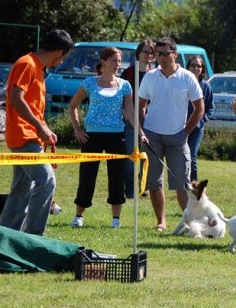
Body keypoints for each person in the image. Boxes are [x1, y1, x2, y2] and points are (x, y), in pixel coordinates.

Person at [0, 29, 74, 236]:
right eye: (64, 57)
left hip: (29, 137)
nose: (61, 62)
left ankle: (5, 236)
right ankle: (33, 237)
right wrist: (39, 127)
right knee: (46, 180)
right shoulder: (27, 64)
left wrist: (45, 129)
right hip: (24, 137)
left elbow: (31, 105)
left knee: (21, 191)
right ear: (58, 51)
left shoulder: (37, 69)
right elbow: (16, 99)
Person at [68, 47, 144, 229]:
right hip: (92, 136)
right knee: (87, 175)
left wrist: (140, 132)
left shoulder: (124, 85)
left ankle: (115, 220)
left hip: (116, 136)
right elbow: (73, 106)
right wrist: (78, 129)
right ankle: (79, 216)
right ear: (103, 62)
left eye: (119, 61)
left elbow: (130, 112)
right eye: (114, 61)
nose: (118, 65)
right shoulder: (89, 83)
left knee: (116, 177)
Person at [138, 37, 204, 232]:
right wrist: (143, 129)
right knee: (154, 182)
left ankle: (191, 224)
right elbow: (140, 105)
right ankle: (161, 222)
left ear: (175, 54)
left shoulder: (187, 77)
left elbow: (199, 108)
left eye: (166, 54)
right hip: (152, 137)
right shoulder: (150, 77)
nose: (162, 58)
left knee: (182, 183)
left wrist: (185, 132)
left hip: (178, 136)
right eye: (158, 54)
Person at [120, 39, 155, 199]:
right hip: (131, 120)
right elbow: (122, 97)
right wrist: (128, 117)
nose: (149, 55)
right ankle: (130, 190)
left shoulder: (156, 74)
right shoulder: (128, 73)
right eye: (146, 51)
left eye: (151, 52)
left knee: (146, 156)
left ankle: (144, 188)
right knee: (131, 156)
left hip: (151, 121)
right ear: (138, 53)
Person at [186, 55, 214, 181]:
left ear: (202, 69)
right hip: (180, 126)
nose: (196, 68)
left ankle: (194, 185)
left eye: (199, 66)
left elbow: (209, 109)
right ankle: (182, 183)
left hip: (197, 129)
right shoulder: (182, 83)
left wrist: (200, 121)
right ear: (188, 67)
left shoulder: (206, 87)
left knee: (192, 156)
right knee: (180, 157)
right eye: (193, 65)